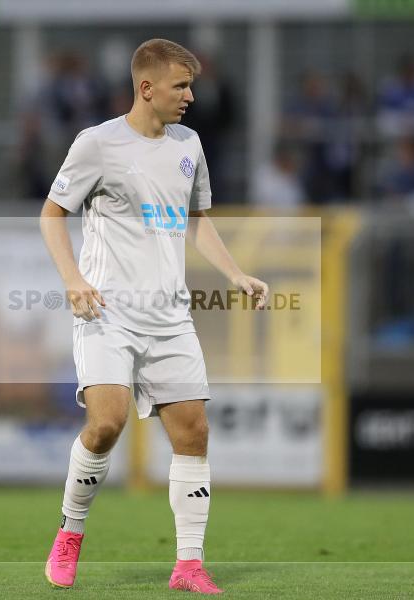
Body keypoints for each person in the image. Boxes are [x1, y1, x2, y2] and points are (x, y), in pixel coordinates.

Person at [39, 39, 268, 594]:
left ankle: (188, 565)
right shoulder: (96, 144)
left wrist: (236, 273)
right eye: (181, 86)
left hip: (169, 316)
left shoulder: (189, 144)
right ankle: (70, 534)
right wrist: (73, 280)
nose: (191, 96)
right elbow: (51, 215)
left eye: (191, 85)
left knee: (193, 432)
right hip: (108, 312)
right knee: (106, 424)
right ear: (147, 88)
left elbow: (197, 221)